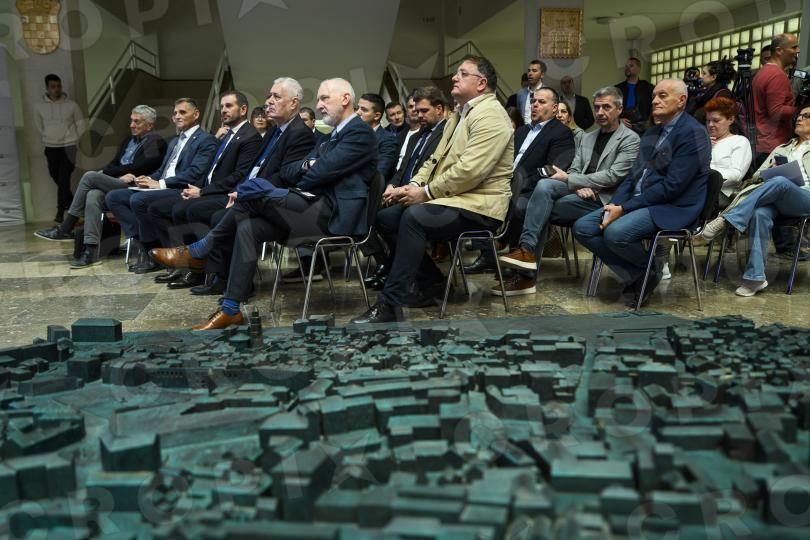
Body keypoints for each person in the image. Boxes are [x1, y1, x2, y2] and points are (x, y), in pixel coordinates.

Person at [149, 78, 376, 330]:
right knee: (248, 226)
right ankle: (231, 309)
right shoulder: (331, 136)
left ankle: (200, 250)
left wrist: (310, 167)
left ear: (345, 99)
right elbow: (292, 172)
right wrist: (309, 165)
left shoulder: (359, 132)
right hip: (310, 206)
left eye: (324, 98)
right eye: (319, 99)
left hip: (333, 216)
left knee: (254, 191)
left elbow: (318, 174)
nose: (319, 105)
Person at [350, 55, 514, 323]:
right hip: (458, 198)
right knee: (386, 217)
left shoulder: (491, 115)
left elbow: (470, 172)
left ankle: (390, 303)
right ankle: (432, 282)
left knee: (413, 217)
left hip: (480, 206)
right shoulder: (461, 113)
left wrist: (425, 194)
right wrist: (412, 185)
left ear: (481, 83)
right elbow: (434, 160)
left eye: (463, 74)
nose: (455, 77)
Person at [573, 78, 711, 307]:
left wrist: (624, 208)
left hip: (673, 207)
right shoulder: (652, 132)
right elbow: (632, 177)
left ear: (681, 100)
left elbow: (673, 187)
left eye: (663, 96)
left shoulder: (693, 133)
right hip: (639, 201)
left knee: (615, 233)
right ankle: (642, 272)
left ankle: (644, 273)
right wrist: (615, 206)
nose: (655, 100)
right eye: (654, 95)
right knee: (583, 228)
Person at [497, 86, 640, 296]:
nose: (600, 112)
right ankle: (526, 251)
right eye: (597, 107)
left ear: (619, 109)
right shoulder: (588, 137)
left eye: (606, 107)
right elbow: (573, 168)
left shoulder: (630, 139)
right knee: (545, 185)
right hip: (579, 191)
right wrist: (578, 184)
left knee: (540, 206)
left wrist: (576, 181)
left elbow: (612, 176)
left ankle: (527, 275)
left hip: (605, 198)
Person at [189, 78, 317, 297]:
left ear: (294, 103)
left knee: (222, 217)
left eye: (276, 97)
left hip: (275, 203)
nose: (269, 101)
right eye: (269, 96)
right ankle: (219, 276)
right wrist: (241, 189)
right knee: (199, 210)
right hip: (250, 192)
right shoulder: (275, 131)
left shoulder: (299, 133)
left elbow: (285, 177)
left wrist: (245, 192)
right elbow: (254, 169)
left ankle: (222, 276)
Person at [696, 105, 810, 296]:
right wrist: (770, 171)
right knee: (759, 213)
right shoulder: (781, 148)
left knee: (780, 182)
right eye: (799, 115)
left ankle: (726, 219)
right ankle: (755, 278)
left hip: (805, 197)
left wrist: (780, 178)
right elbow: (756, 177)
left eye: (806, 116)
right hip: (778, 197)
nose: (799, 118)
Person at [34, 105, 167, 268]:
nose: (131, 125)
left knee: (90, 176)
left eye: (137, 122)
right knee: (93, 195)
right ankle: (91, 252)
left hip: (136, 186)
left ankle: (66, 227)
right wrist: (112, 174)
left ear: (149, 125)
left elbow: (139, 167)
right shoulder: (128, 140)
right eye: (131, 121)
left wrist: (105, 173)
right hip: (119, 182)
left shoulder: (155, 142)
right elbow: (114, 163)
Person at [464, 86, 575, 274]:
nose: (535, 105)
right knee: (478, 198)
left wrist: (518, 183)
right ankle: (488, 255)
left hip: (533, 187)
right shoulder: (521, 131)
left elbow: (552, 169)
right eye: (533, 101)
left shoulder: (561, 132)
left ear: (555, 108)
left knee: (519, 205)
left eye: (541, 102)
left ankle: (515, 259)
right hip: (505, 183)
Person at [104, 98, 218, 273]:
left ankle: (151, 251)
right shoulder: (174, 141)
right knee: (114, 196)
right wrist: (147, 179)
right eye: (175, 113)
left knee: (138, 200)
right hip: (163, 186)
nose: (177, 116)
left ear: (196, 115)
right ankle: (141, 239)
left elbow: (195, 173)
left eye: (182, 112)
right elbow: (162, 170)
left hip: (181, 189)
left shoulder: (206, 140)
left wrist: (160, 183)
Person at [364, 86, 448, 291]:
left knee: (387, 219)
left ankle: (419, 275)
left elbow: (435, 173)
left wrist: (405, 190)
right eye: (416, 111)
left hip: (428, 195)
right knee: (370, 212)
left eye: (423, 111)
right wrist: (392, 185)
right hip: (406, 189)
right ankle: (400, 270)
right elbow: (402, 168)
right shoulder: (418, 135)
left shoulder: (446, 134)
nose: (418, 115)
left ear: (439, 109)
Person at [34, 74, 85, 223]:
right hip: (50, 147)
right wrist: (48, 135)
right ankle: (75, 204)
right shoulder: (39, 106)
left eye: (58, 86)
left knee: (63, 179)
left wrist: (74, 139)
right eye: (53, 87)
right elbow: (38, 125)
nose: (56, 89)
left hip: (68, 147)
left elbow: (81, 123)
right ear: (47, 88)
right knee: (56, 176)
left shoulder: (72, 105)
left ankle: (60, 212)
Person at [753, 33, 799, 167]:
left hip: (763, 142)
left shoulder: (763, 72)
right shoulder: (776, 75)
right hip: (772, 145)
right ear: (779, 50)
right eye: (794, 47)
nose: (797, 51)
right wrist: (800, 110)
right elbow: (776, 111)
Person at [704, 96, 752, 208]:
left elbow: (736, 175)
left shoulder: (739, 141)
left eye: (716, 121)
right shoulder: (702, 142)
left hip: (721, 194)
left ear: (730, 119)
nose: (710, 125)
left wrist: (704, 176)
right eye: (708, 120)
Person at [357, 93, 399, 180]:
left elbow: (378, 174)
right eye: (358, 108)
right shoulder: (353, 135)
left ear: (376, 116)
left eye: (364, 110)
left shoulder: (388, 141)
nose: (357, 112)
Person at [687, 59, 736, 124]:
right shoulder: (707, 92)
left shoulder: (723, 95)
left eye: (704, 73)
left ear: (713, 77)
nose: (701, 77)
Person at [616, 57, 654, 134]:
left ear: (639, 69)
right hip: (622, 129)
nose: (627, 68)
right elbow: (612, 108)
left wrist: (650, 122)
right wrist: (618, 120)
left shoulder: (648, 87)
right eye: (626, 66)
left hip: (644, 130)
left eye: (631, 65)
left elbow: (654, 106)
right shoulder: (617, 88)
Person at [515, 60, 546, 124]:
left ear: (542, 75)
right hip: (524, 128)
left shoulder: (548, 93)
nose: (530, 73)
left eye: (534, 71)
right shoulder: (521, 93)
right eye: (529, 71)